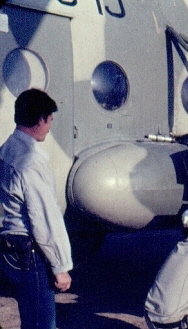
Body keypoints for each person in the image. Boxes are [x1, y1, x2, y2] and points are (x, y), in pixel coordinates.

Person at [0, 89, 73, 329]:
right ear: (40, 119)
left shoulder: (7, 150)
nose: (50, 126)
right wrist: (61, 266)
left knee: (30, 320)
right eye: (50, 119)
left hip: (10, 250)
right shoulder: (30, 161)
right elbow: (43, 218)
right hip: (30, 253)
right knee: (42, 324)